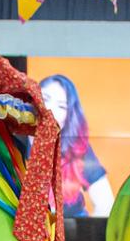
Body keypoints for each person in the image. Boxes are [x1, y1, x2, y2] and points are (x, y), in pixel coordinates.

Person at [40, 75, 114, 221]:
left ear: (68, 116)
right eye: (45, 99)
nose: (50, 110)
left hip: (69, 234)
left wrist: (83, 235)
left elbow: (106, 204)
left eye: (61, 106)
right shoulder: (16, 142)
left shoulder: (77, 147)